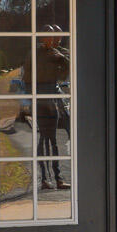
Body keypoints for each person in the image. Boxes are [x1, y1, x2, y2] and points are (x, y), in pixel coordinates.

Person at [36, 27, 72, 190]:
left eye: (58, 37)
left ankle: (57, 178)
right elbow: (31, 77)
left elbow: (64, 75)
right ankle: (45, 178)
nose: (56, 40)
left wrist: (62, 58)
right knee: (45, 138)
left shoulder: (59, 53)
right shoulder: (38, 53)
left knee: (57, 139)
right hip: (42, 99)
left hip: (54, 97)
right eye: (53, 37)